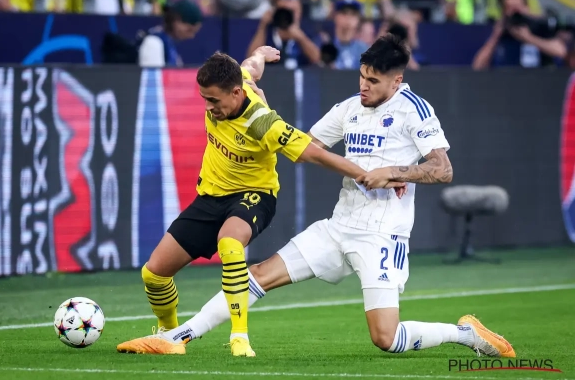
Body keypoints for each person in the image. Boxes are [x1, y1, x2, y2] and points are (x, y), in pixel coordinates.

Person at [117, 35, 516, 359]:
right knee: (256, 276)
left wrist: (395, 172)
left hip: (382, 234)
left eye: (373, 81)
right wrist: (262, 115)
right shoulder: (350, 108)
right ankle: (176, 337)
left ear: (396, 81)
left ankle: (465, 333)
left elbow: (443, 169)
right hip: (338, 227)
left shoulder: (414, 110)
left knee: (386, 338)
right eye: (361, 76)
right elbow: (305, 146)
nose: (363, 86)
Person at [116, 46, 405, 358]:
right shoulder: (238, 78)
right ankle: (167, 335)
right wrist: (261, 54)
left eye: (213, 100)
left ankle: (239, 337)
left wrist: (366, 174)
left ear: (236, 93)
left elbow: (314, 154)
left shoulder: (263, 123)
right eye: (204, 99)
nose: (208, 107)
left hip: (254, 197)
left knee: (230, 243)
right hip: (211, 196)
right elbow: (250, 65)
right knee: (154, 273)